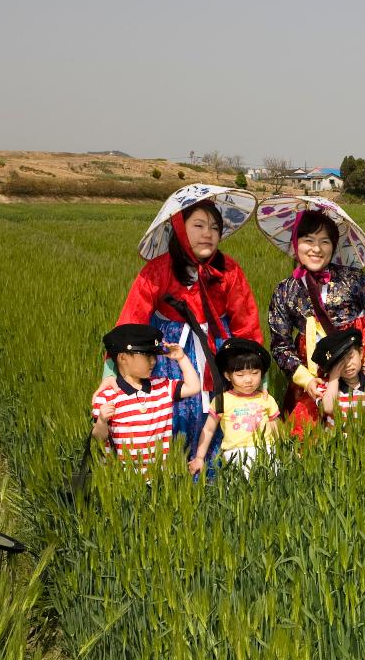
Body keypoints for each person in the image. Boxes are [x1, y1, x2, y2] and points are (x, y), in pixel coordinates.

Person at [111, 185, 263, 474]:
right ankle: (170, 473)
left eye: (215, 227)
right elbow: (131, 322)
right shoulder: (158, 270)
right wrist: (112, 373)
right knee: (173, 411)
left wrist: (255, 372)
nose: (208, 233)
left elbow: (246, 321)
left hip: (216, 347)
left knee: (217, 408)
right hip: (170, 353)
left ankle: (217, 470)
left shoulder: (228, 270)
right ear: (180, 228)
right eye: (198, 225)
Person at [266, 206, 365, 432]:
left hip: (362, 361)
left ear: (334, 246)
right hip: (316, 373)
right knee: (308, 435)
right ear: (295, 243)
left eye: (325, 242)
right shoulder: (285, 291)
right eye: (308, 240)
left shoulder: (353, 278)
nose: (316, 249)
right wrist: (305, 380)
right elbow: (280, 345)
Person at [92, 324, 201, 477]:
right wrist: (102, 421)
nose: (153, 361)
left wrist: (181, 358)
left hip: (161, 475)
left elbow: (194, 387)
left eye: (154, 355)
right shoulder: (107, 396)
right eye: (147, 356)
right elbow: (98, 438)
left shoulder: (163, 386)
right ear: (123, 358)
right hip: (123, 478)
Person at [188, 338, 280, 477]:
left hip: (267, 450)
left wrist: (284, 448)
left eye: (255, 373)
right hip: (235, 455)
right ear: (228, 376)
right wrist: (199, 457)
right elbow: (208, 429)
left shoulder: (266, 398)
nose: (248, 380)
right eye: (240, 375)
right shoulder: (221, 400)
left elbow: (275, 426)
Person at [312, 330, 365, 428]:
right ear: (331, 368)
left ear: (360, 353)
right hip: (337, 440)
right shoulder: (325, 388)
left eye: (350, 357)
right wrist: (334, 378)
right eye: (340, 362)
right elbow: (328, 408)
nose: (347, 364)